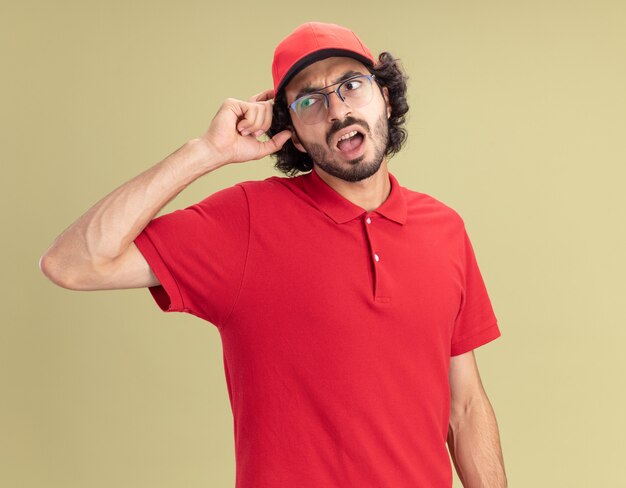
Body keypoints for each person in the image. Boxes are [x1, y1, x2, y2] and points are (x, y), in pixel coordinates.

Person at [40, 21, 507, 488]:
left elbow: (464, 407)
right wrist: (205, 152)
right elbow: (74, 263)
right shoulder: (245, 221)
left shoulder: (444, 229)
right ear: (295, 136)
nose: (338, 111)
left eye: (351, 85)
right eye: (310, 101)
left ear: (384, 95)